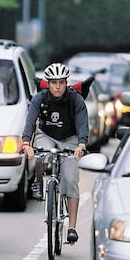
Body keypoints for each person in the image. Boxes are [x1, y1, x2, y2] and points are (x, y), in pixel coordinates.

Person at [22, 63, 88, 244]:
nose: (57, 87)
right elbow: (30, 121)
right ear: (47, 84)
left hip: (70, 138)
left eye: (61, 82)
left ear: (66, 83)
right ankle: (37, 181)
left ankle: (72, 228)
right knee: (42, 152)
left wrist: (81, 144)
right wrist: (26, 142)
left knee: (71, 180)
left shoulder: (76, 100)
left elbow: (83, 123)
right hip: (47, 135)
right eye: (53, 83)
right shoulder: (40, 99)